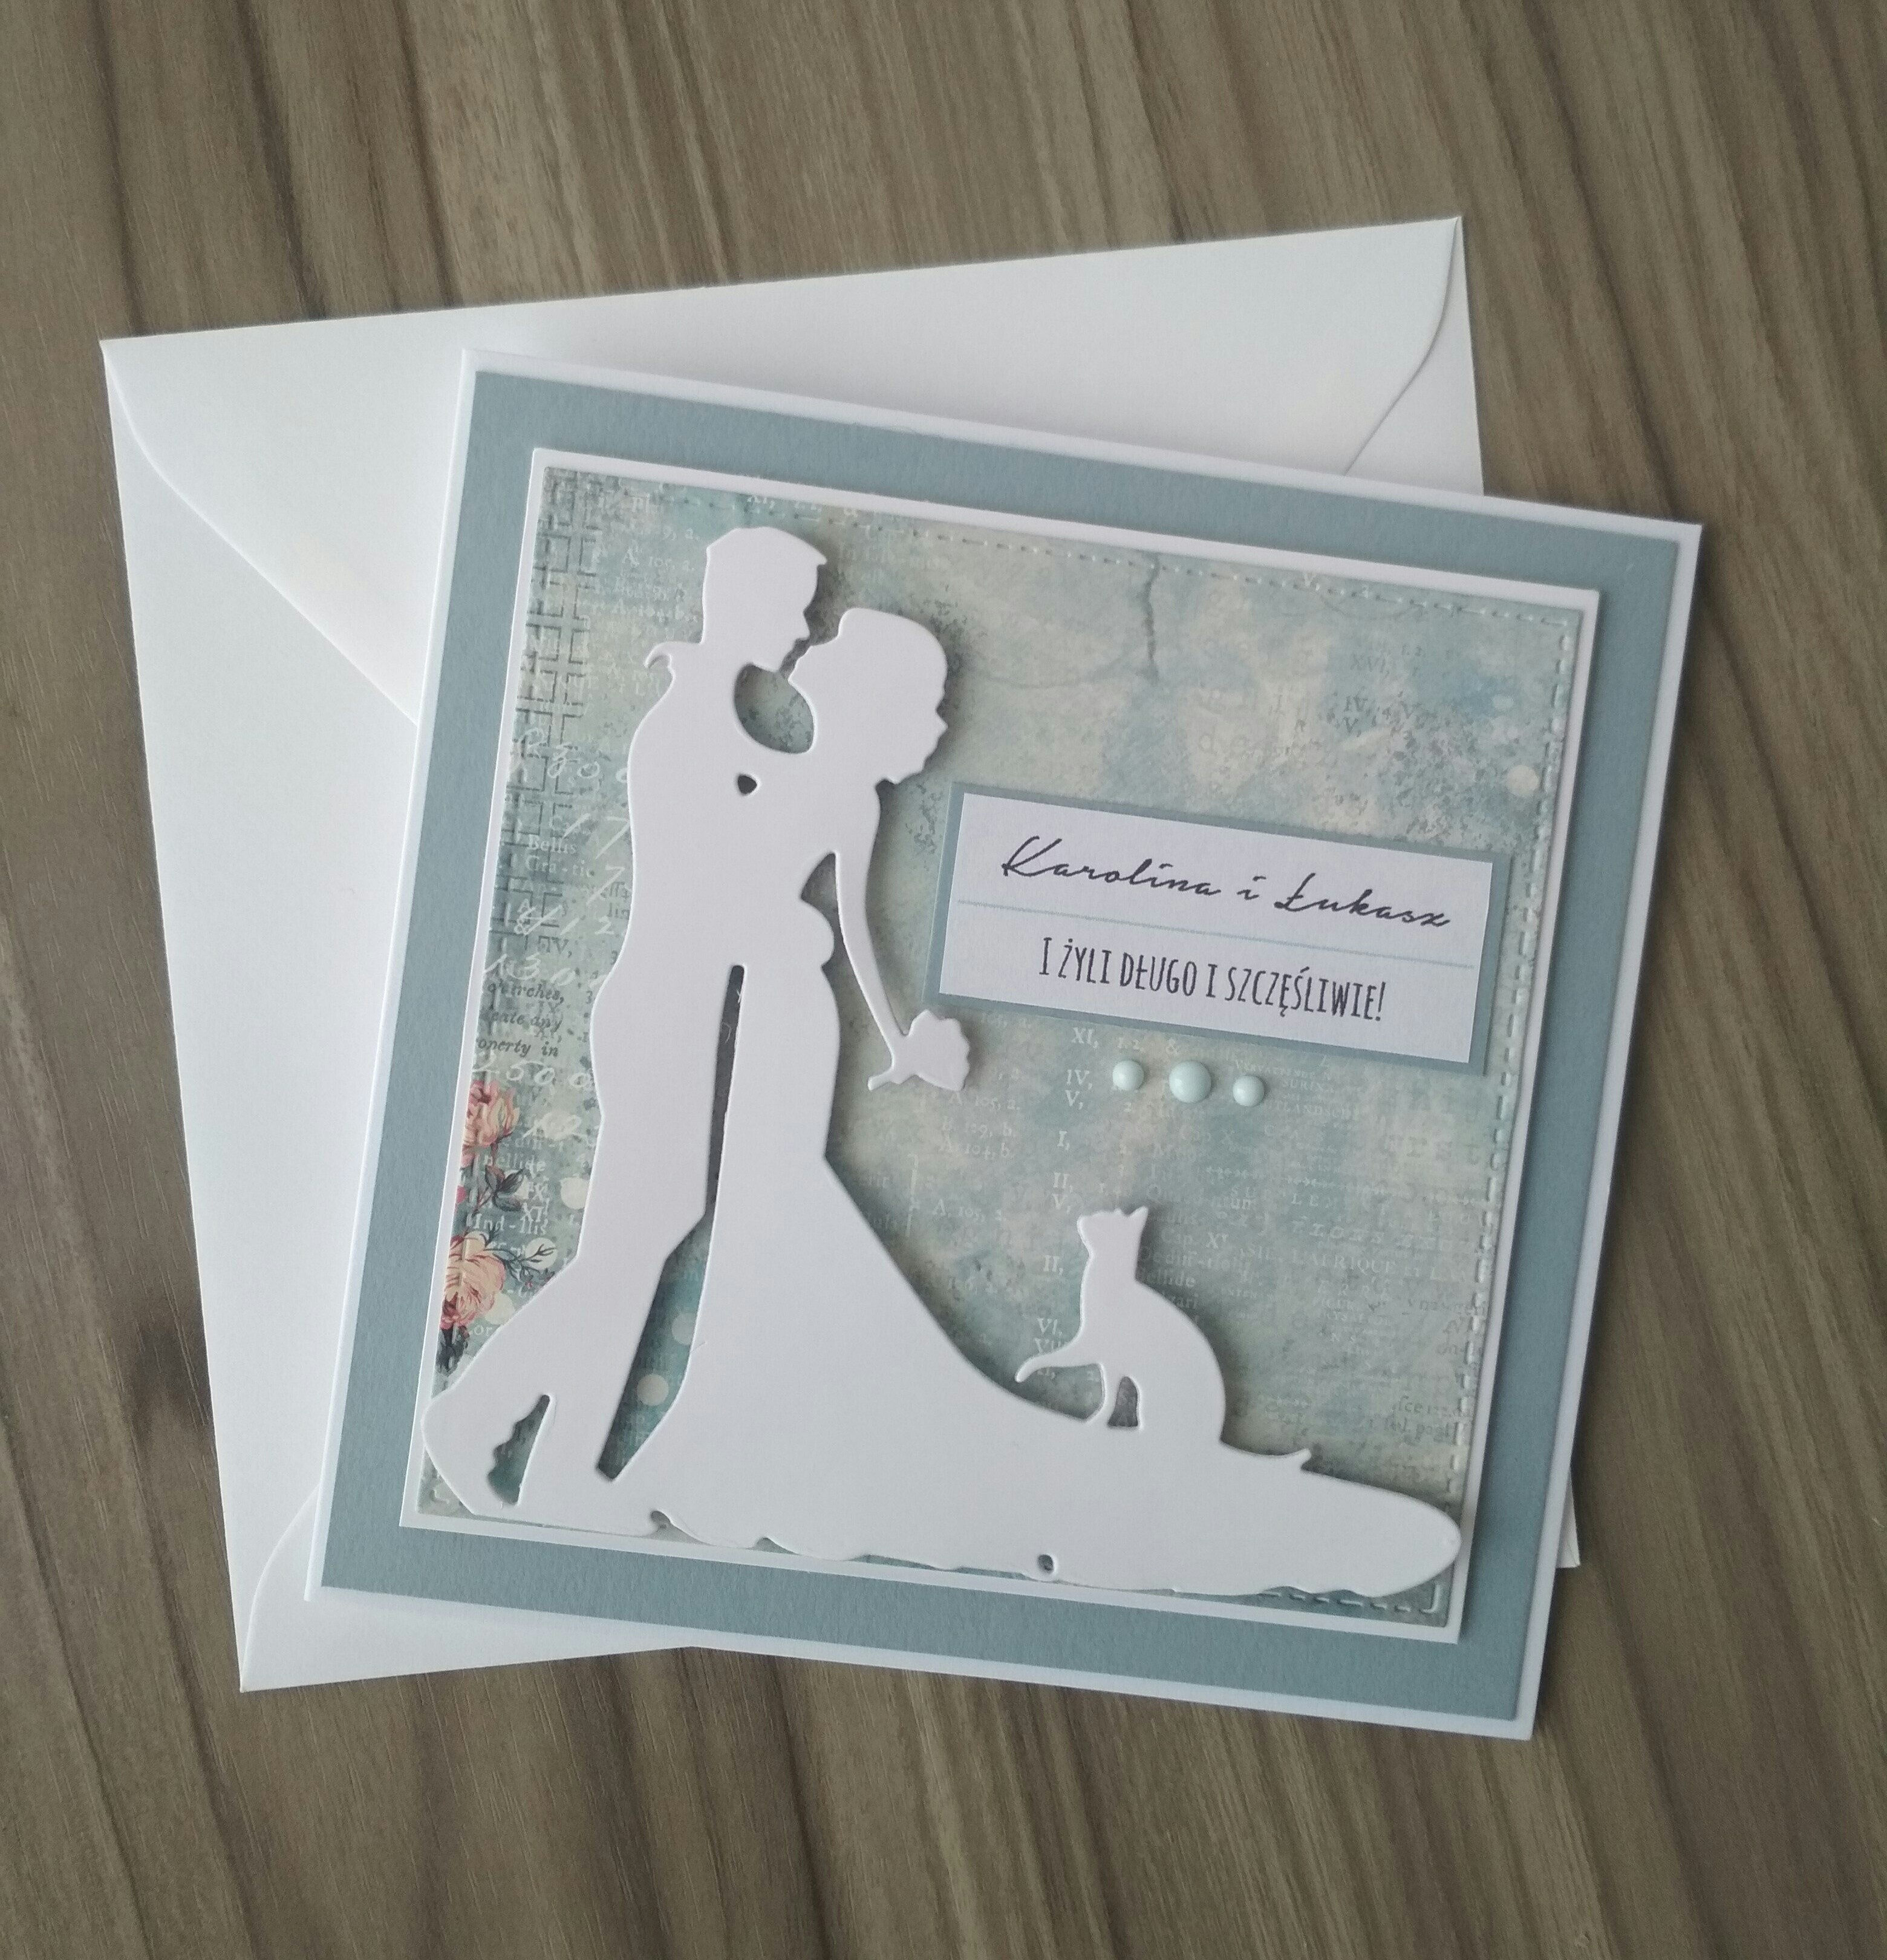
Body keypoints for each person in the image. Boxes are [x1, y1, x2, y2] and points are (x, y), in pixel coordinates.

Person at [423, 526, 829, 1510]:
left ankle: (541, 1451)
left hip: (685, 1012)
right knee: (633, 1240)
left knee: (646, 1233)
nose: (803, 629)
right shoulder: (688, 734)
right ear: (741, 604)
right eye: (792, 608)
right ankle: (496, 1430)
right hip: (661, 1013)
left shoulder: (724, 739)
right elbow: (708, 896)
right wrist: (791, 920)